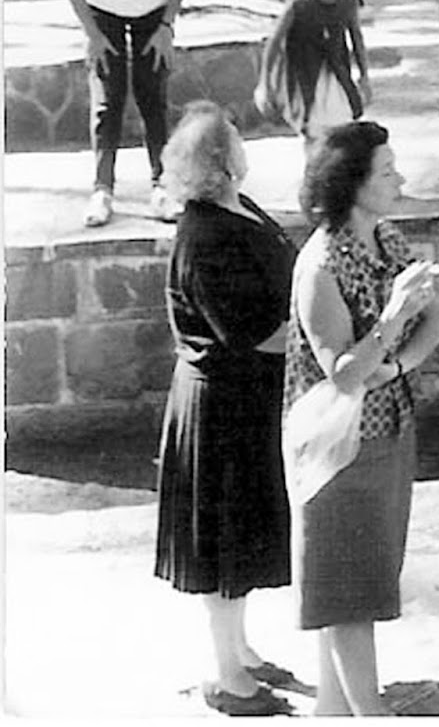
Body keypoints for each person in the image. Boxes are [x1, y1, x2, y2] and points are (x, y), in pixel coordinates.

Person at [285, 120, 439, 715]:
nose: (400, 180)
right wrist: (392, 318)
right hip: (338, 446)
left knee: (362, 579)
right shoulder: (321, 264)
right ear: (352, 184)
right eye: (387, 171)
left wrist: (394, 367)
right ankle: (368, 714)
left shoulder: (388, 240)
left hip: (388, 429)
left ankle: (333, 708)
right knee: (346, 592)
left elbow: (435, 325)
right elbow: (346, 374)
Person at [153, 103, 299, 717]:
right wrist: (324, 339)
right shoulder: (205, 235)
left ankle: (241, 649)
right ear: (218, 157)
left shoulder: (238, 207)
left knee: (242, 538)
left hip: (248, 401)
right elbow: (249, 332)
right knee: (221, 545)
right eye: (234, 136)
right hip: (219, 408)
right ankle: (226, 674)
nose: (243, 141)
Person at [63, 0, 199, 228]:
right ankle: (102, 191)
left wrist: (166, 26)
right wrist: (94, 36)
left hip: (152, 14)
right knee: (109, 103)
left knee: (152, 96)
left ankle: (163, 187)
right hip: (104, 13)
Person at [254, 0, 372, 151]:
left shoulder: (348, 2)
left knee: (342, 131)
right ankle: (315, 167)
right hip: (306, 78)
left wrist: (364, 77)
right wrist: (265, 84)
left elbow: (357, 39)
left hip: (337, 76)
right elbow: (274, 43)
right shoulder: (299, 5)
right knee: (315, 132)